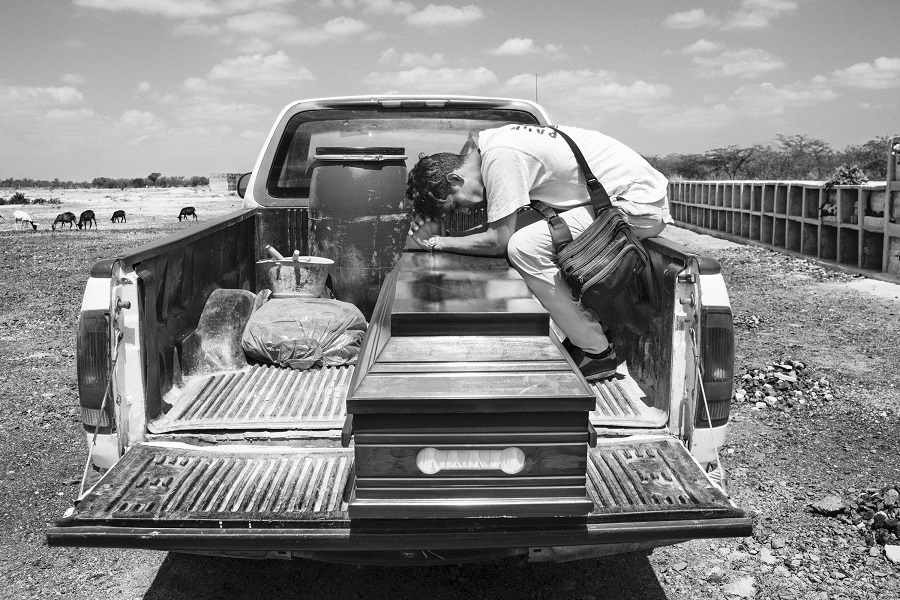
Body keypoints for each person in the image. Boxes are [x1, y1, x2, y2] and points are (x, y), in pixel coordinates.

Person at [405, 124, 671, 380]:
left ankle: (596, 352)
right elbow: (500, 229)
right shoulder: (489, 146)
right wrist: (444, 233)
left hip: (636, 205)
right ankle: (586, 334)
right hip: (617, 202)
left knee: (524, 247)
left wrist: (436, 242)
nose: (462, 212)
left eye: (455, 206)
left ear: (455, 178)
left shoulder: (500, 158)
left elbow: (498, 241)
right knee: (526, 235)